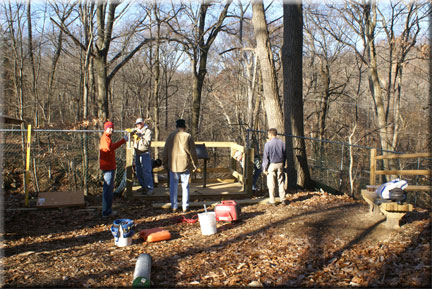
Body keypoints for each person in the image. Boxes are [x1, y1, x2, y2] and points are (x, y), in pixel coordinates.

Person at [162, 119, 198, 213]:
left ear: (176, 127)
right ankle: (185, 206)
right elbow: (193, 152)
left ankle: (174, 206)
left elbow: (165, 150)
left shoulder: (171, 136)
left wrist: (164, 162)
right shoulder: (188, 136)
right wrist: (195, 164)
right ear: (184, 127)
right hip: (184, 163)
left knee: (173, 186)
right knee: (185, 186)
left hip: (173, 164)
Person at [99, 121, 128, 217]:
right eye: (109, 128)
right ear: (105, 129)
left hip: (109, 167)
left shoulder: (107, 138)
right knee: (108, 190)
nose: (111, 129)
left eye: (112, 128)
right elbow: (108, 148)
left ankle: (107, 210)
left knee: (108, 189)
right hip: (108, 167)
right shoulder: (105, 138)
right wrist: (123, 140)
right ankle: (106, 212)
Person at [262, 128, 286, 205]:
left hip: (272, 165)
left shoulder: (268, 144)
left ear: (271, 134)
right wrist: (284, 163)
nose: (268, 136)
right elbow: (285, 154)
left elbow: (266, 158)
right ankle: (283, 199)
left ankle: (272, 200)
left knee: (271, 183)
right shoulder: (282, 143)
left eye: (268, 134)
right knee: (281, 181)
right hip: (280, 163)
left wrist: (264, 168)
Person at [133, 118, 154, 194]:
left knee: (146, 171)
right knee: (138, 171)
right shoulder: (135, 131)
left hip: (145, 153)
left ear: (142, 123)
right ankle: (143, 186)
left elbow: (147, 143)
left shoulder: (148, 132)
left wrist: (141, 136)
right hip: (137, 153)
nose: (138, 125)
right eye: (137, 124)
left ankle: (149, 188)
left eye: (139, 123)